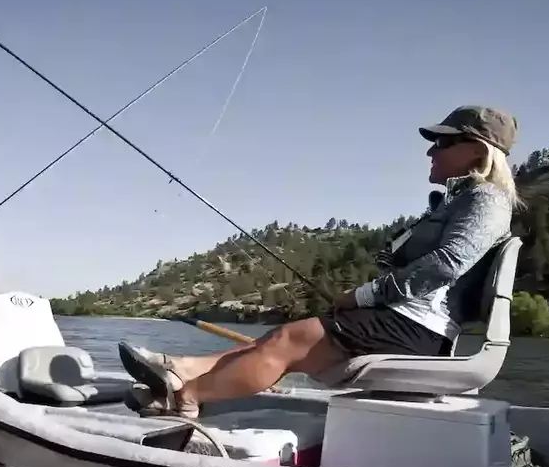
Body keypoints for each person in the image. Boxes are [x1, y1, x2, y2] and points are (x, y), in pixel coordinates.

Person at [118, 105, 521, 418]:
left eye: (443, 143)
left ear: (476, 150)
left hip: (419, 329)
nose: (431, 150)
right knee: (279, 341)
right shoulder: (462, 200)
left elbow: (447, 264)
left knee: (287, 341)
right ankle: (184, 368)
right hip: (409, 322)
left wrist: (363, 296)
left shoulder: (487, 200)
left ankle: (185, 397)